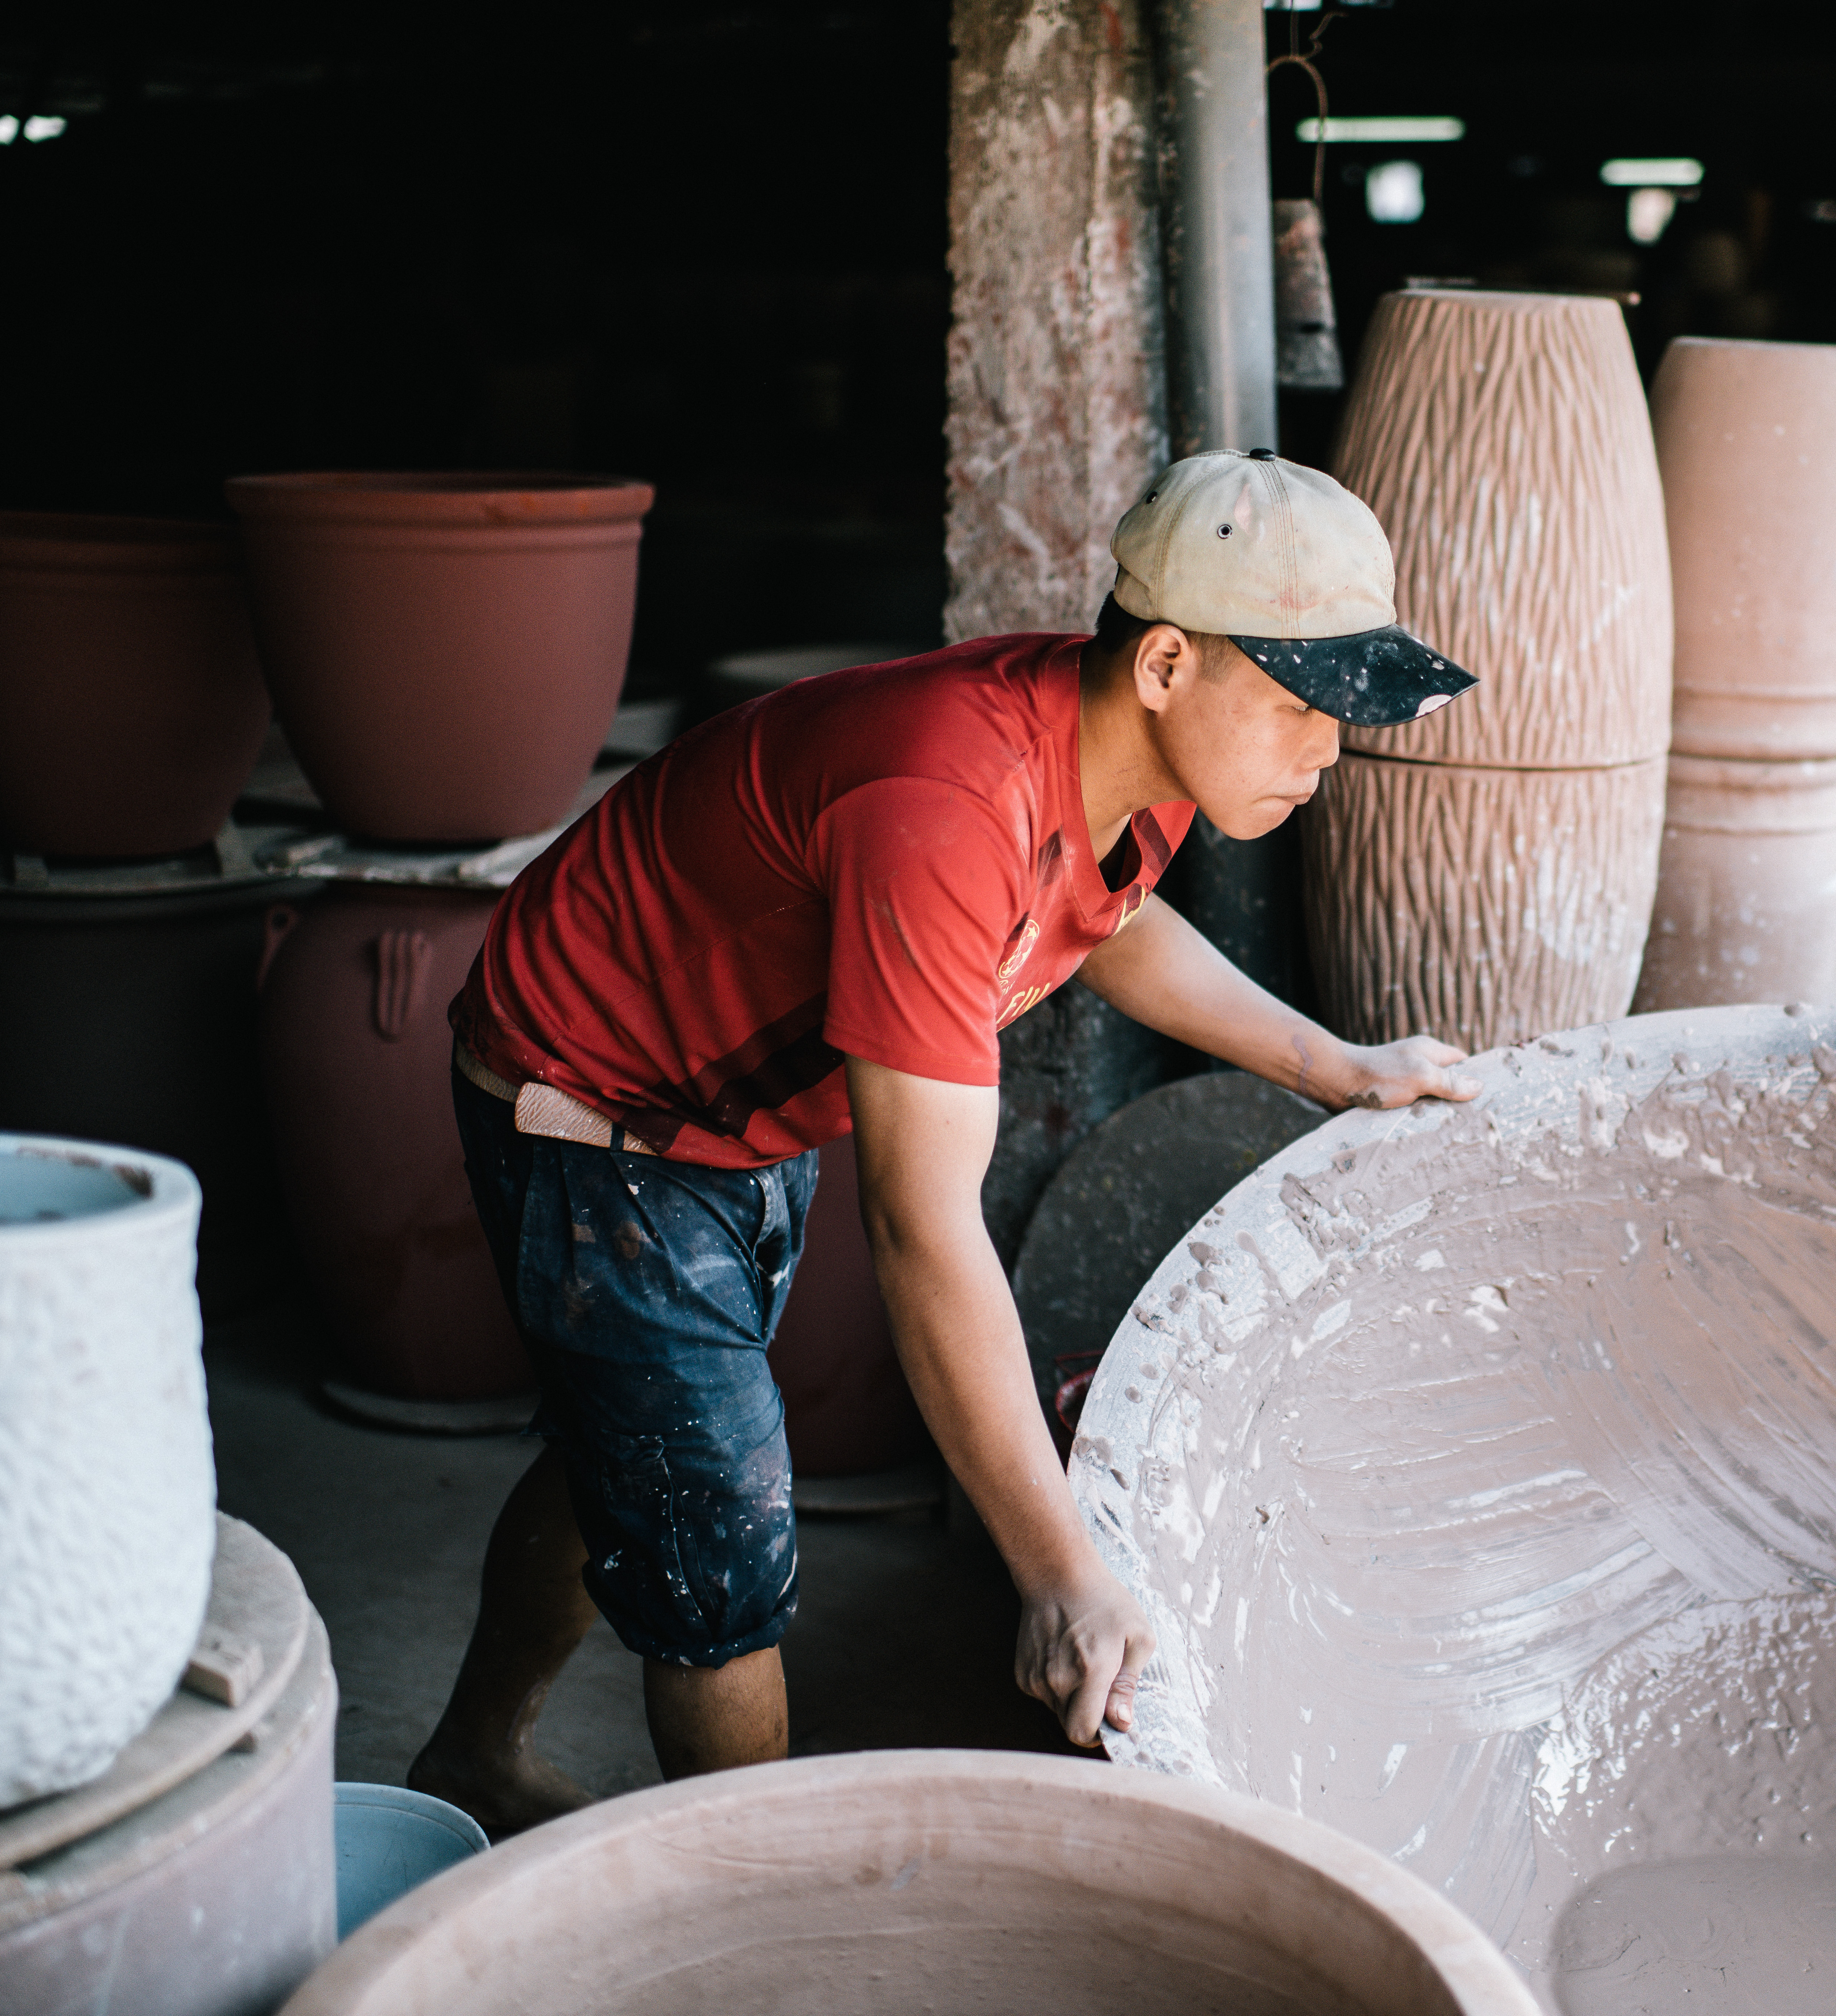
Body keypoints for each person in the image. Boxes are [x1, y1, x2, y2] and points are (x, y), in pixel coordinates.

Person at [409, 450, 1483, 1835]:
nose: (1327, 751)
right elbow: (922, 1227)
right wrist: (1057, 1569)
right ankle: (768, 1930)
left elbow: (1104, 919)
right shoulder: (947, 805)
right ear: (1165, 662)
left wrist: (1328, 1063)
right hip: (599, 1096)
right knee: (721, 1538)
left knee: (637, 1454)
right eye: (1296, 706)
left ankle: (469, 1756)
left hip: (731, 1088)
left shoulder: (1134, 760)